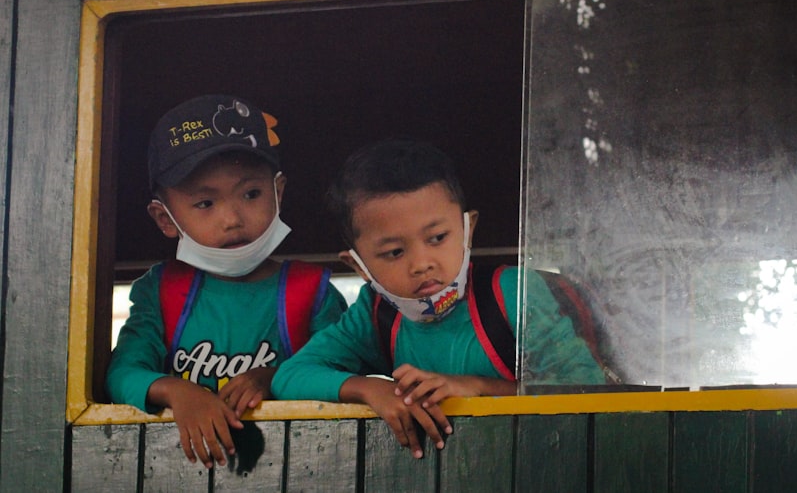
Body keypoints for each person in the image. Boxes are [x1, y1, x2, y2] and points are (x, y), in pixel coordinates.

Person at [271, 137, 605, 458]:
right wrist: (372, 390)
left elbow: (588, 390)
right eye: (394, 252)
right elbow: (290, 377)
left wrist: (476, 387)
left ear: (468, 229)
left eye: (438, 238)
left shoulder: (515, 294)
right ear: (357, 265)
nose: (422, 264)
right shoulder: (373, 312)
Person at [106, 94, 348, 469]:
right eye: (205, 204)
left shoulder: (312, 291)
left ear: (278, 193)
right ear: (165, 218)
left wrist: (274, 378)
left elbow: (344, 373)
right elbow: (122, 373)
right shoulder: (160, 290)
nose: (232, 218)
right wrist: (179, 393)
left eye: (251, 194)